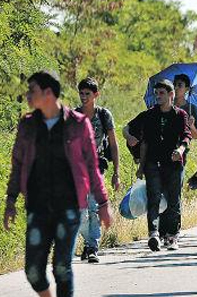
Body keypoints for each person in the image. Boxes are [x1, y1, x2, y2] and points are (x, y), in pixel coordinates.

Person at [4, 71, 112, 297]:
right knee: (33, 270)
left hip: (69, 205)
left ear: (48, 93)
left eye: (32, 90)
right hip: (37, 206)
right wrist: (11, 200)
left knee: (61, 266)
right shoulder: (28, 125)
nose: (28, 95)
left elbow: (92, 166)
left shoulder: (78, 124)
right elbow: (18, 163)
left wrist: (103, 203)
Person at [129, 79, 192, 251]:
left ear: (171, 95)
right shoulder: (149, 114)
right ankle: (154, 234)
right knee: (154, 197)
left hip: (174, 164)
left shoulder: (180, 115)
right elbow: (127, 128)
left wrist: (180, 150)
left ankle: (172, 236)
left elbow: (186, 137)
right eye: (156, 93)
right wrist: (129, 137)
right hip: (152, 163)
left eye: (162, 93)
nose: (158, 96)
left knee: (173, 200)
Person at [75, 77, 120, 264]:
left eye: (88, 94)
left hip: (97, 165)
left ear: (96, 95)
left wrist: (117, 172)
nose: (84, 97)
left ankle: (92, 247)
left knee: (93, 208)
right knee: (79, 211)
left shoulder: (104, 115)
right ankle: (88, 242)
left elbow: (113, 142)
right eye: (81, 93)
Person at [173, 74, 197, 140]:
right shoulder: (166, 105)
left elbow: (195, 136)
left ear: (187, 89)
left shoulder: (192, 108)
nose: (175, 88)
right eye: (174, 85)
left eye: (180, 85)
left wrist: (191, 126)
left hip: (182, 147)